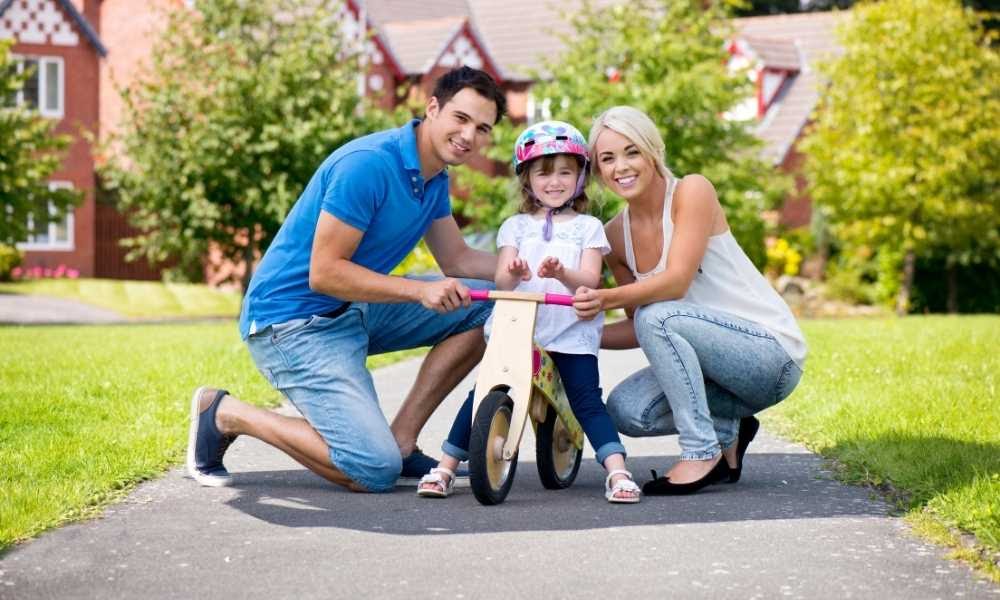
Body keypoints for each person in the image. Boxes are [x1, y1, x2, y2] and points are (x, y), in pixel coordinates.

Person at [186, 67, 508, 493]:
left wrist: (527, 265)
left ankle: (402, 440)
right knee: (372, 469)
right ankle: (225, 413)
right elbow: (324, 273)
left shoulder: (433, 179)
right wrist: (419, 291)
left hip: (351, 309)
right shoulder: (369, 166)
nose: (469, 136)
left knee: (486, 308)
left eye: (482, 128)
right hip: (291, 324)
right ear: (432, 108)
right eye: (461, 119)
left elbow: (459, 259)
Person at [572, 106, 807, 495]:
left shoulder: (692, 191)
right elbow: (637, 325)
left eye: (632, 151)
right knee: (627, 410)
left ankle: (701, 451)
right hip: (712, 370)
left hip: (769, 357)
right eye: (607, 159)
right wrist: (571, 334)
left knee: (658, 315)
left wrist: (605, 297)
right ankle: (727, 430)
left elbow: (676, 283)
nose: (621, 167)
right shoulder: (614, 237)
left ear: (653, 151)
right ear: (597, 171)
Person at [416, 121, 641, 503]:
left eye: (565, 172)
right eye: (544, 173)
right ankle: (445, 468)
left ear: (580, 178)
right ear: (527, 179)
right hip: (520, 330)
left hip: (570, 332)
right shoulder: (516, 227)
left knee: (586, 399)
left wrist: (561, 273)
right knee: (482, 392)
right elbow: (503, 281)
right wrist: (514, 272)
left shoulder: (588, 228)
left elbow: (589, 282)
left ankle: (618, 473)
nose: (555, 182)